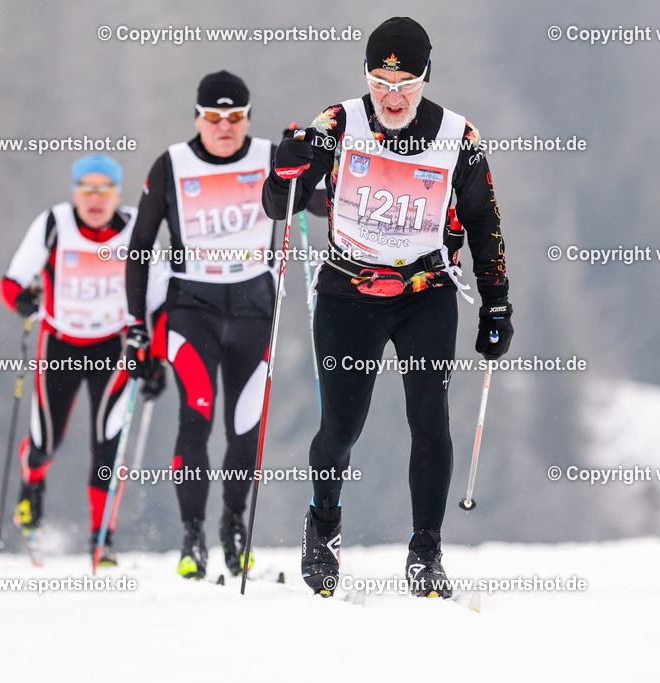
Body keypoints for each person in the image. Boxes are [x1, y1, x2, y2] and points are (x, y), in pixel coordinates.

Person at [262, 17, 512, 598]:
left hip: (426, 294)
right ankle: (323, 525)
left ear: (425, 77)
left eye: (404, 83)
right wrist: (284, 170)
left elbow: (484, 222)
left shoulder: (459, 137)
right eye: (379, 82)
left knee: (429, 420)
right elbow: (281, 206)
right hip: (350, 293)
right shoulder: (338, 123)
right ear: (366, 77)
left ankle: (426, 551)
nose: (391, 96)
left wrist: (496, 303)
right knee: (340, 429)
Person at [124, 71, 280, 580]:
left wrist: (316, 161)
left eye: (235, 118)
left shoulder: (270, 158)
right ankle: (192, 535)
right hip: (193, 311)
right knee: (197, 415)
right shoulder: (172, 165)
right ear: (198, 117)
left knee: (246, 428)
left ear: (247, 118)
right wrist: (135, 326)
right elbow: (140, 249)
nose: (224, 127)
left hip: (256, 310)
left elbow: (319, 202)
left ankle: (232, 524)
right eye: (214, 118)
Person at [0, 154, 168, 566]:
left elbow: (161, 300)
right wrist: (22, 301)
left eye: (104, 190)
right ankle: (32, 481)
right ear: (75, 192)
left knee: (109, 444)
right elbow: (12, 282)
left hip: (113, 347)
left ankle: (102, 539)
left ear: (118, 193)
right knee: (44, 443)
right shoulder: (54, 224)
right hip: (59, 344)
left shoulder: (136, 228)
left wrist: (156, 359)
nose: (95, 200)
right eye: (87, 190)